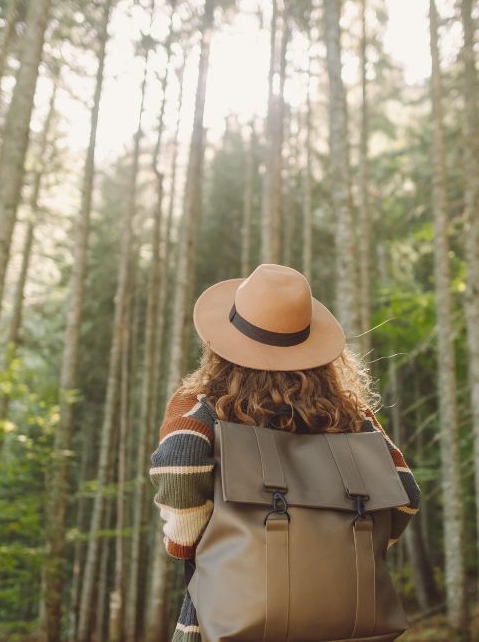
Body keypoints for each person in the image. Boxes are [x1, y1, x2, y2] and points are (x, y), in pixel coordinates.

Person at [150, 263, 421, 642]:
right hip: (346, 625)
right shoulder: (354, 418)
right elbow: (406, 497)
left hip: (224, 619)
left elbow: (180, 476)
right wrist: (340, 545)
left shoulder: (200, 409)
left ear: (220, 343)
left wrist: (191, 546)